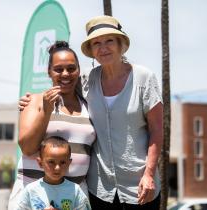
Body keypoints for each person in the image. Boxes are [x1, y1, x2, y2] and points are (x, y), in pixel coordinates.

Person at [19, 15, 163, 210]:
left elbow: (157, 129)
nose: (103, 48)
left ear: (121, 44)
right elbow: (63, 80)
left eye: (109, 41)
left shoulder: (144, 78)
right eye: (96, 43)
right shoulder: (88, 80)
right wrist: (32, 100)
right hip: (99, 190)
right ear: (92, 51)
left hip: (139, 186)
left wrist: (149, 174)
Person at [8, 41, 96, 209]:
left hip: (73, 198)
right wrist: (46, 111)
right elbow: (27, 147)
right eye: (58, 69)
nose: (65, 74)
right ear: (49, 72)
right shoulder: (34, 101)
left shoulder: (88, 105)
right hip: (34, 195)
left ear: (78, 71)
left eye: (71, 68)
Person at [14, 136, 91, 210]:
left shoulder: (75, 191)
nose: (57, 168)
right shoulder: (31, 190)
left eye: (63, 162)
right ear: (40, 163)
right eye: (51, 162)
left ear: (69, 163)